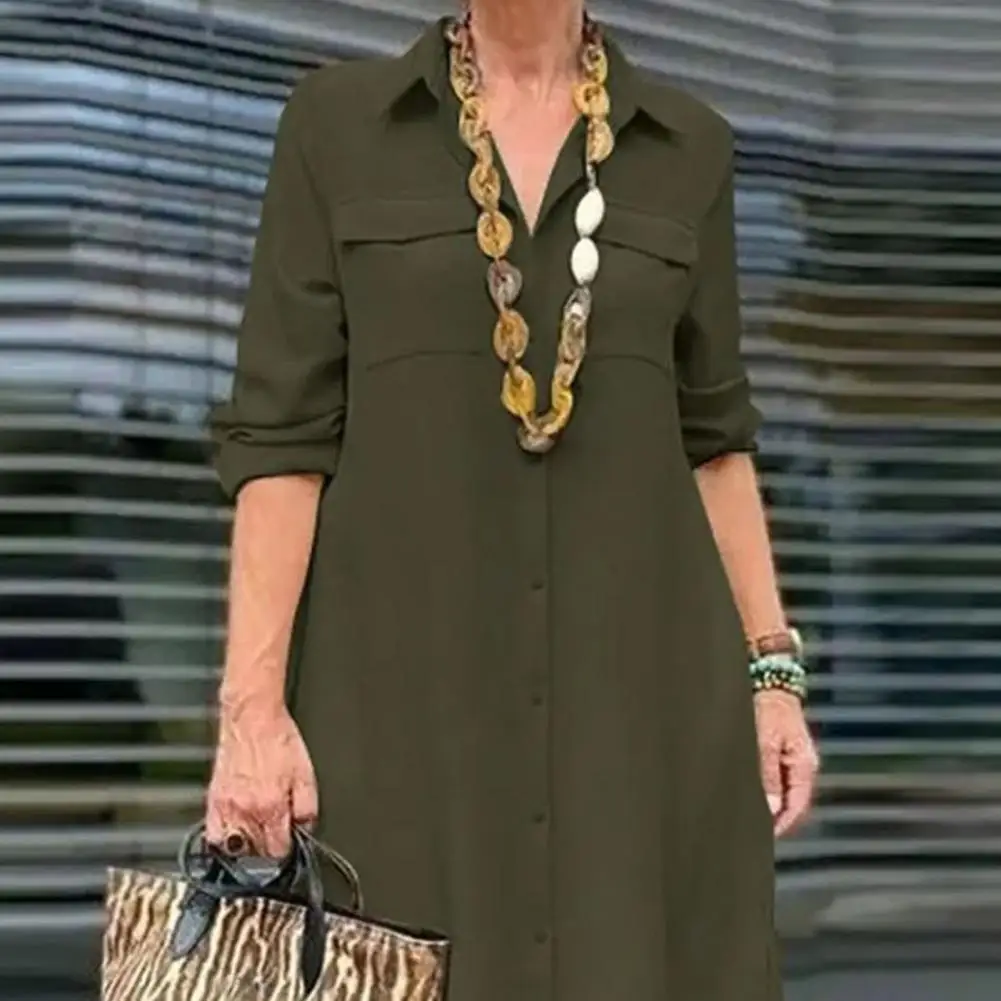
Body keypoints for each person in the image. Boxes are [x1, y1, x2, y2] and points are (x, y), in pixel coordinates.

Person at [206, 1, 819, 999]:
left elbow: (713, 437)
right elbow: (280, 440)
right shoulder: (335, 129)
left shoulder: (688, 148)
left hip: (641, 724)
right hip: (396, 727)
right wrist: (251, 711)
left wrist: (771, 672)